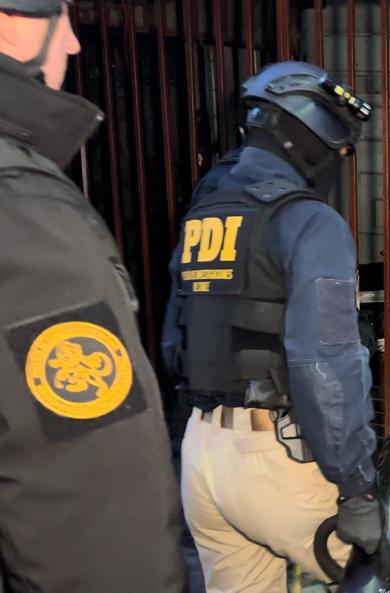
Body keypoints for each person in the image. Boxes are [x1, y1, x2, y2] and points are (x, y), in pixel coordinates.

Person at [163, 61, 380, 592]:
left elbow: (174, 341)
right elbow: (325, 364)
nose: (337, 161)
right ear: (312, 134)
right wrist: (357, 487)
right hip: (277, 458)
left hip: (202, 454)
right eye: (338, 148)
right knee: (376, 571)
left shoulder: (205, 211)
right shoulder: (309, 220)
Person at [0, 1, 186, 591]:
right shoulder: (22, 206)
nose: (76, 44)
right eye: (63, 16)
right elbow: (94, 514)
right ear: (9, 22)